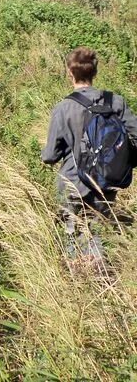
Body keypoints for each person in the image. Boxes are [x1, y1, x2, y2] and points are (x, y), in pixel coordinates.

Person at [41, 47, 137, 261]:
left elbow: (49, 156)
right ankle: (100, 278)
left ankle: (79, 280)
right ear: (95, 72)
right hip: (106, 181)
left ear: (70, 73)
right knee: (98, 232)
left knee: (72, 235)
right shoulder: (115, 102)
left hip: (73, 183)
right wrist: (123, 163)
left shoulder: (64, 108)